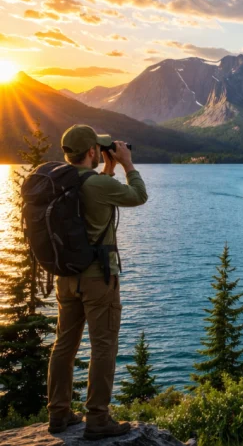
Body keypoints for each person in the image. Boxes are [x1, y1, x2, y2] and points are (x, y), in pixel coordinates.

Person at [47, 125, 148, 439]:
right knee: (103, 346)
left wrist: (108, 167)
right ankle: (98, 419)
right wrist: (127, 164)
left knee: (64, 344)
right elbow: (139, 196)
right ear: (91, 151)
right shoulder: (98, 186)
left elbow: (92, 187)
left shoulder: (60, 181)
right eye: (99, 149)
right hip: (98, 279)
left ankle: (59, 413)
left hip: (65, 278)